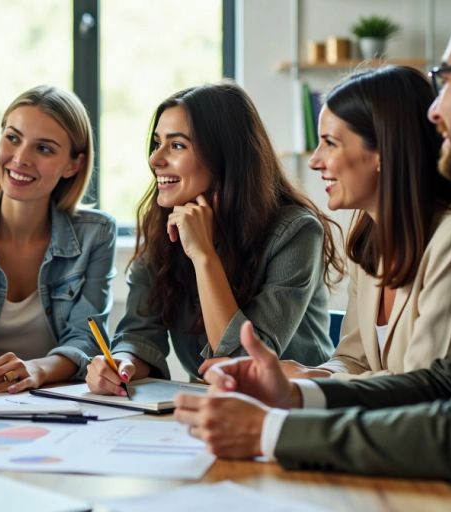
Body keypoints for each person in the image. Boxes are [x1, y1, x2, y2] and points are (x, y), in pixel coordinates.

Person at [175, 1, 451, 509]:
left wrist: (272, 431)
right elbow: (443, 378)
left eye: (446, 78)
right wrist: (295, 393)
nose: (435, 109)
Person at [86, 82, 342, 395]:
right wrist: (121, 365)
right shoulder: (165, 224)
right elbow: (139, 335)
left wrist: (204, 255)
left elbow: (242, 362)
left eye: (177, 146)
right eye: (157, 143)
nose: (155, 159)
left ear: (225, 156)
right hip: (215, 403)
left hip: (292, 408)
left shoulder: (296, 232)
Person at [274, 66, 451, 381]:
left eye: (330, 143)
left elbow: (426, 387)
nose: (315, 160)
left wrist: (308, 383)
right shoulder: (370, 241)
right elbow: (352, 360)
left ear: (383, 150)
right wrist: (305, 374)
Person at [0, 85, 116, 393]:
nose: (20, 158)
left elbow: (87, 339)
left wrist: (36, 369)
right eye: (12, 138)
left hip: (56, 399)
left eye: (44, 149)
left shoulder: (97, 233)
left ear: (73, 165)